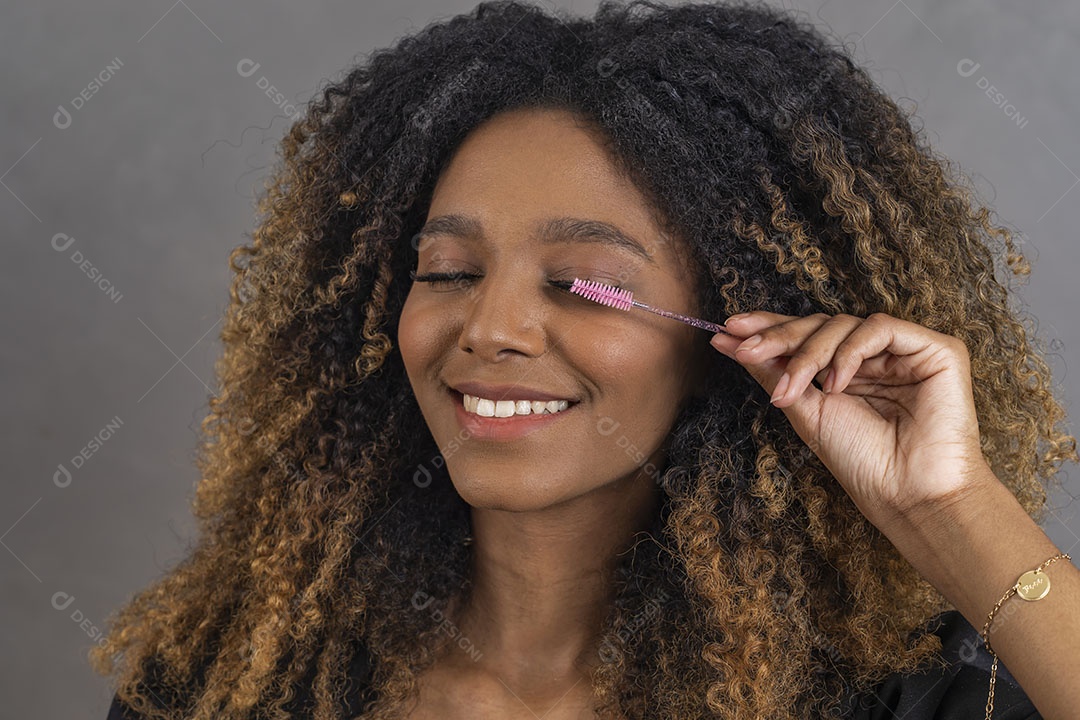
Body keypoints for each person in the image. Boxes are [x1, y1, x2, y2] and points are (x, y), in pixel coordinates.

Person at [95, 1, 1080, 718]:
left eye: (577, 283)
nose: (489, 327)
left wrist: (948, 509)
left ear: (737, 328)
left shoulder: (923, 701)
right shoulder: (229, 689)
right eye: (446, 270)